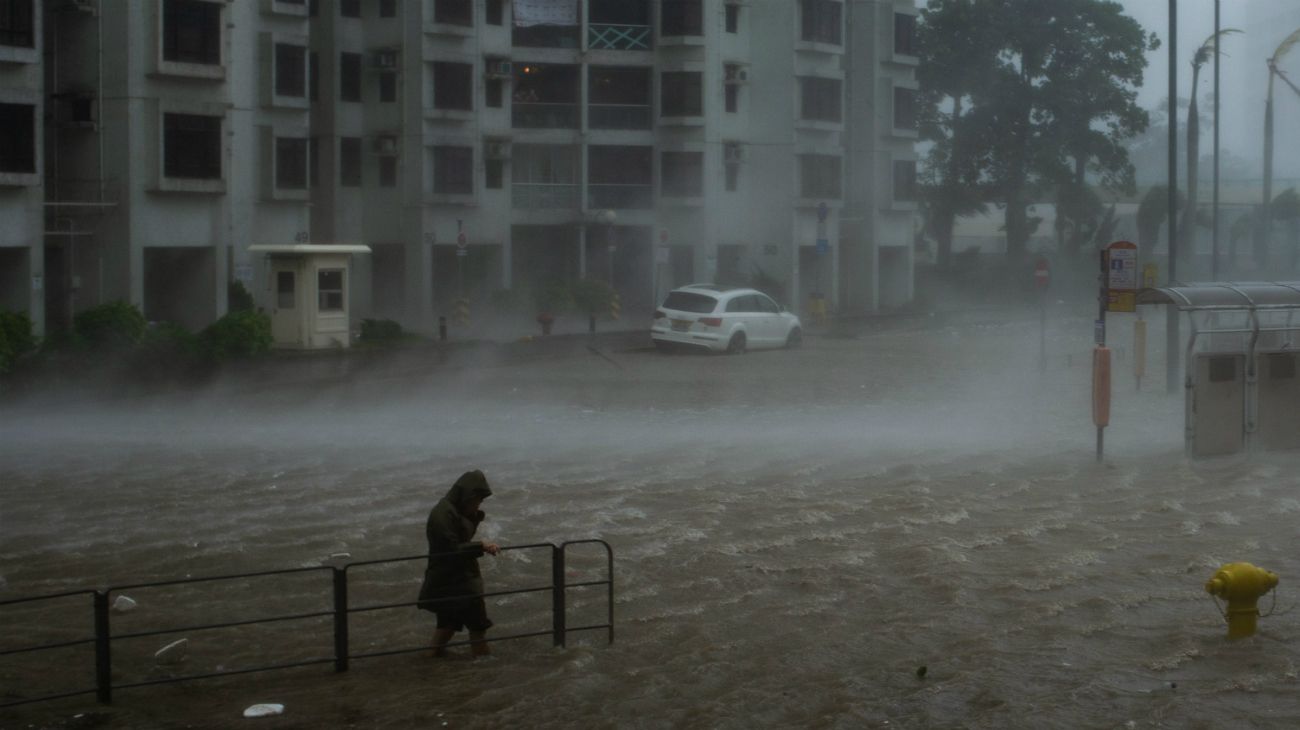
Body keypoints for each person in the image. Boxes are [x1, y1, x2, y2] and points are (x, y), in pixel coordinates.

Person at [417, 470, 501, 657]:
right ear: (469, 496)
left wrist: (474, 517)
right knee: (478, 627)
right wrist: (482, 546)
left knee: (448, 624)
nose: (479, 504)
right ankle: (484, 667)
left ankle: (431, 661)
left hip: (449, 580)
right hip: (459, 582)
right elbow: (451, 549)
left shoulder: (451, 511)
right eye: (478, 499)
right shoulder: (443, 514)